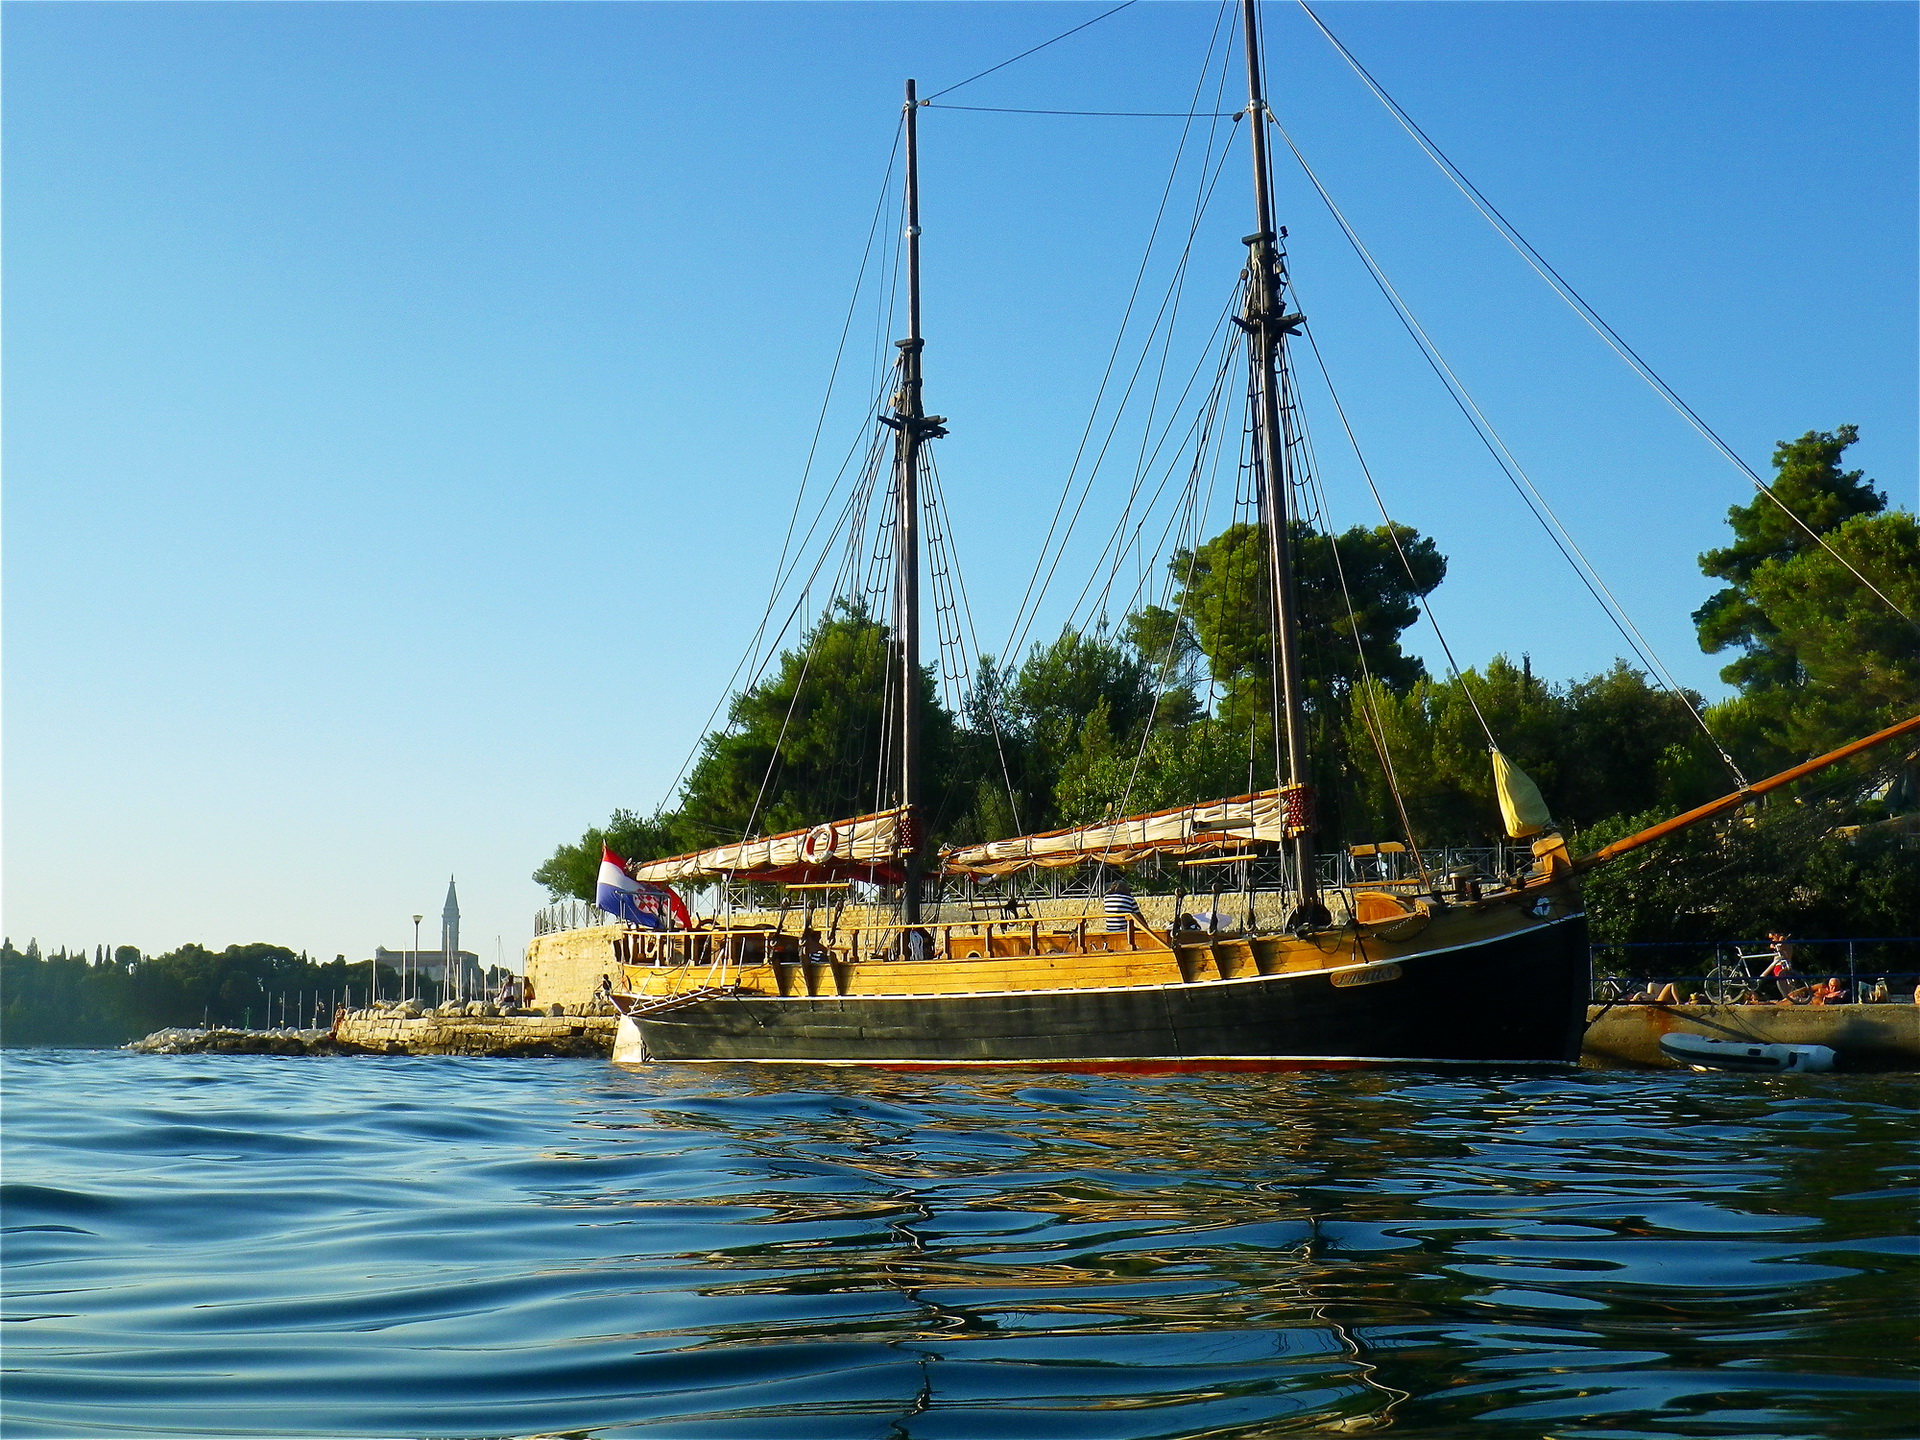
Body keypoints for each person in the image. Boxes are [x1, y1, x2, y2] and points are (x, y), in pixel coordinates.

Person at [1761, 933, 1802, 1002]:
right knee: (1787, 982)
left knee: (1783, 981)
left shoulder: (1782, 939)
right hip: (1785, 964)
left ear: (1776, 934)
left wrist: (1776, 945)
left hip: (1781, 964)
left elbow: (1781, 945)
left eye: (1772, 938)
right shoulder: (1786, 941)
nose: (1772, 940)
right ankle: (1790, 997)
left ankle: (1788, 997)